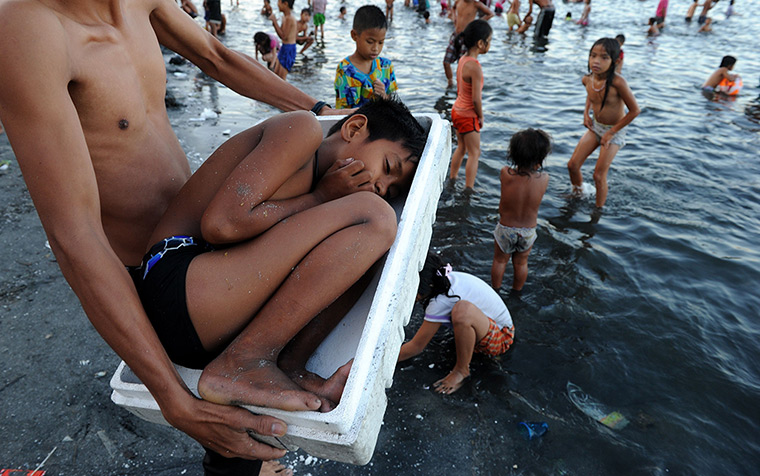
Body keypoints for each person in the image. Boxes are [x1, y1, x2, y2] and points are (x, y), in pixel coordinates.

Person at [0, 0, 345, 473]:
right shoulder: (27, 31)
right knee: (220, 412)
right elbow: (73, 235)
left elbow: (217, 57)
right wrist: (172, 400)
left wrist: (322, 110)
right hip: (148, 270)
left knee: (311, 166)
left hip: (199, 230)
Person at [135, 96, 426, 418]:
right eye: (388, 168)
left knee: (369, 250)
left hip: (213, 313)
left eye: (393, 189)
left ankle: (288, 364)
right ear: (355, 128)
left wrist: (322, 199)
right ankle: (243, 361)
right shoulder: (300, 129)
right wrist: (319, 197)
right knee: (376, 217)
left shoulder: (329, 191)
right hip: (175, 284)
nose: (382, 187)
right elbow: (222, 225)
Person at [398, 253, 514, 395]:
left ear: (427, 286)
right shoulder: (444, 279)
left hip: (502, 338)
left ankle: (461, 371)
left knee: (462, 310)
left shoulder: (440, 301)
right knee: (461, 311)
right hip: (492, 325)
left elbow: (416, 346)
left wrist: (384, 359)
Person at [567, 38, 640, 209]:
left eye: (604, 57)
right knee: (572, 165)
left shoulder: (618, 82)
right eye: (593, 56)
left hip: (615, 131)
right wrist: (586, 113)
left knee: (599, 175)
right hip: (596, 126)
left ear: (615, 61)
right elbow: (590, 95)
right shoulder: (587, 79)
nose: (596, 61)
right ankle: (579, 193)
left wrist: (611, 132)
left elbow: (635, 111)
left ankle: (597, 211)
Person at [491, 129, 550, 292]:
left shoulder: (505, 173)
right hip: (528, 232)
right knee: (521, 263)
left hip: (505, 229)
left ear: (514, 155)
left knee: (500, 261)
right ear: (539, 160)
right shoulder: (544, 179)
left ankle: (495, 291)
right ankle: (517, 291)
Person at [449, 20, 492, 190]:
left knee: (461, 147)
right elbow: (476, 99)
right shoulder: (475, 67)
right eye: (490, 40)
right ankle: (469, 189)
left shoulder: (463, 59)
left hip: (456, 111)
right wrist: (480, 116)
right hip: (468, 114)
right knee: (475, 153)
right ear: (480, 43)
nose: (490, 44)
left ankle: (452, 178)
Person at [334, 5, 398, 109]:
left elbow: (394, 107)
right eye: (370, 42)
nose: (376, 48)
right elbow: (343, 111)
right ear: (354, 35)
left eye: (381, 42)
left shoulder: (386, 66)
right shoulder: (345, 70)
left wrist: (383, 96)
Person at [443, 0, 494, 88]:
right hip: (456, 35)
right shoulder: (458, 2)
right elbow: (454, 8)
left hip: (467, 37)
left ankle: (462, 86)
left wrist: (475, 24)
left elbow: (490, 14)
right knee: (446, 62)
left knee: (463, 64)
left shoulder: (476, 4)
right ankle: (450, 82)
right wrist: (454, 17)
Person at [270, 0, 298, 80]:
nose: (277, 4)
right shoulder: (285, 17)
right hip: (284, 47)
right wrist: (275, 23)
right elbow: (281, 33)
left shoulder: (290, 18)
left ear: (285, 4)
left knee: (282, 78)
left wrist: (275, 22)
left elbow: (284, 36)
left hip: (289, 49)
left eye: (279, 2)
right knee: (276, 75)